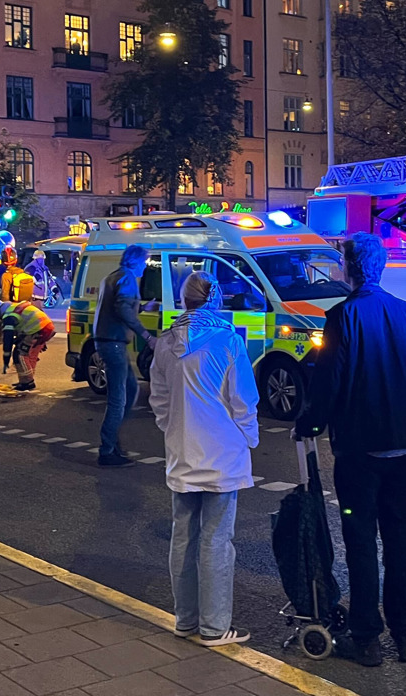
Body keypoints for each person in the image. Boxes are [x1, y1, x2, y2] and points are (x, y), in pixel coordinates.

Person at [297, 232, 406, 666]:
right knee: (399, 542)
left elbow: (329, 381)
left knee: (360, 544)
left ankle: (367, 638)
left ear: (349, 268)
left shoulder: (342, 317)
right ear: (381, 267)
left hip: (359, 453)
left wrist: (311, 424)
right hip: (402, 451)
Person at [150, 271, 258, 647]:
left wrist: (174, 430)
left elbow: (159, 401)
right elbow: (243, 400)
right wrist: (249, 438)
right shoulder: (227, 340)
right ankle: (214, 627)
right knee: (216, 540)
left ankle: (186, 620)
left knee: (183, 536)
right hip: (223, 454)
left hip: (182, 453)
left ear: (184, 300)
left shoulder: (165, 344)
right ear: (215, 299)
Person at [95, 243, 155, 467]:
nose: (145, 266)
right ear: (135, 261)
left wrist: (141, 308)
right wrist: (147, 336)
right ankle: (108, 449)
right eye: (144, 262)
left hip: (108, 341)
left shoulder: (112, 277)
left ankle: (112, 440)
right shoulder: (127, 278)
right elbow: (121, 308)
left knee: (131, 389)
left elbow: (118, 306)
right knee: (118, 399)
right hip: (114, 343)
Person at [8, 297, 56, 391]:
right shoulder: (18, 307)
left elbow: (12, 333)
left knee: (20, 355)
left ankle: (27, 382)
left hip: (39, 331)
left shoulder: (10, 314)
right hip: (46, 329)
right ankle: (26, 380)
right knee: (31, 355)